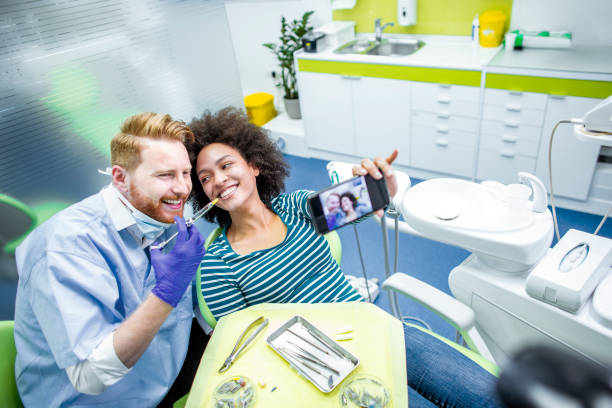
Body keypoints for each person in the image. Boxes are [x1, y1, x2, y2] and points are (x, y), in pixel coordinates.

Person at [187, 107, 502, 408]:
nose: (218, 179)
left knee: (492, 397)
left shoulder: (295, 207)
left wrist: (381, 184)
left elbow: (363, 201)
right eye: (205, 178)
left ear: (253, 165)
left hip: (376, 329)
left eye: (226, 165)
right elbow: (240, 349)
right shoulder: (217, 265)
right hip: (322, 365)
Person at [13, 112, 208, 407]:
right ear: (120, 178)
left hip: (160, 377)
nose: (182, 188)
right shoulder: (65, 247)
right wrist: (167, 292)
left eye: (185, 173)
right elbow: (90, 377)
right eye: (165, 175)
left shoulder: (158, 215)